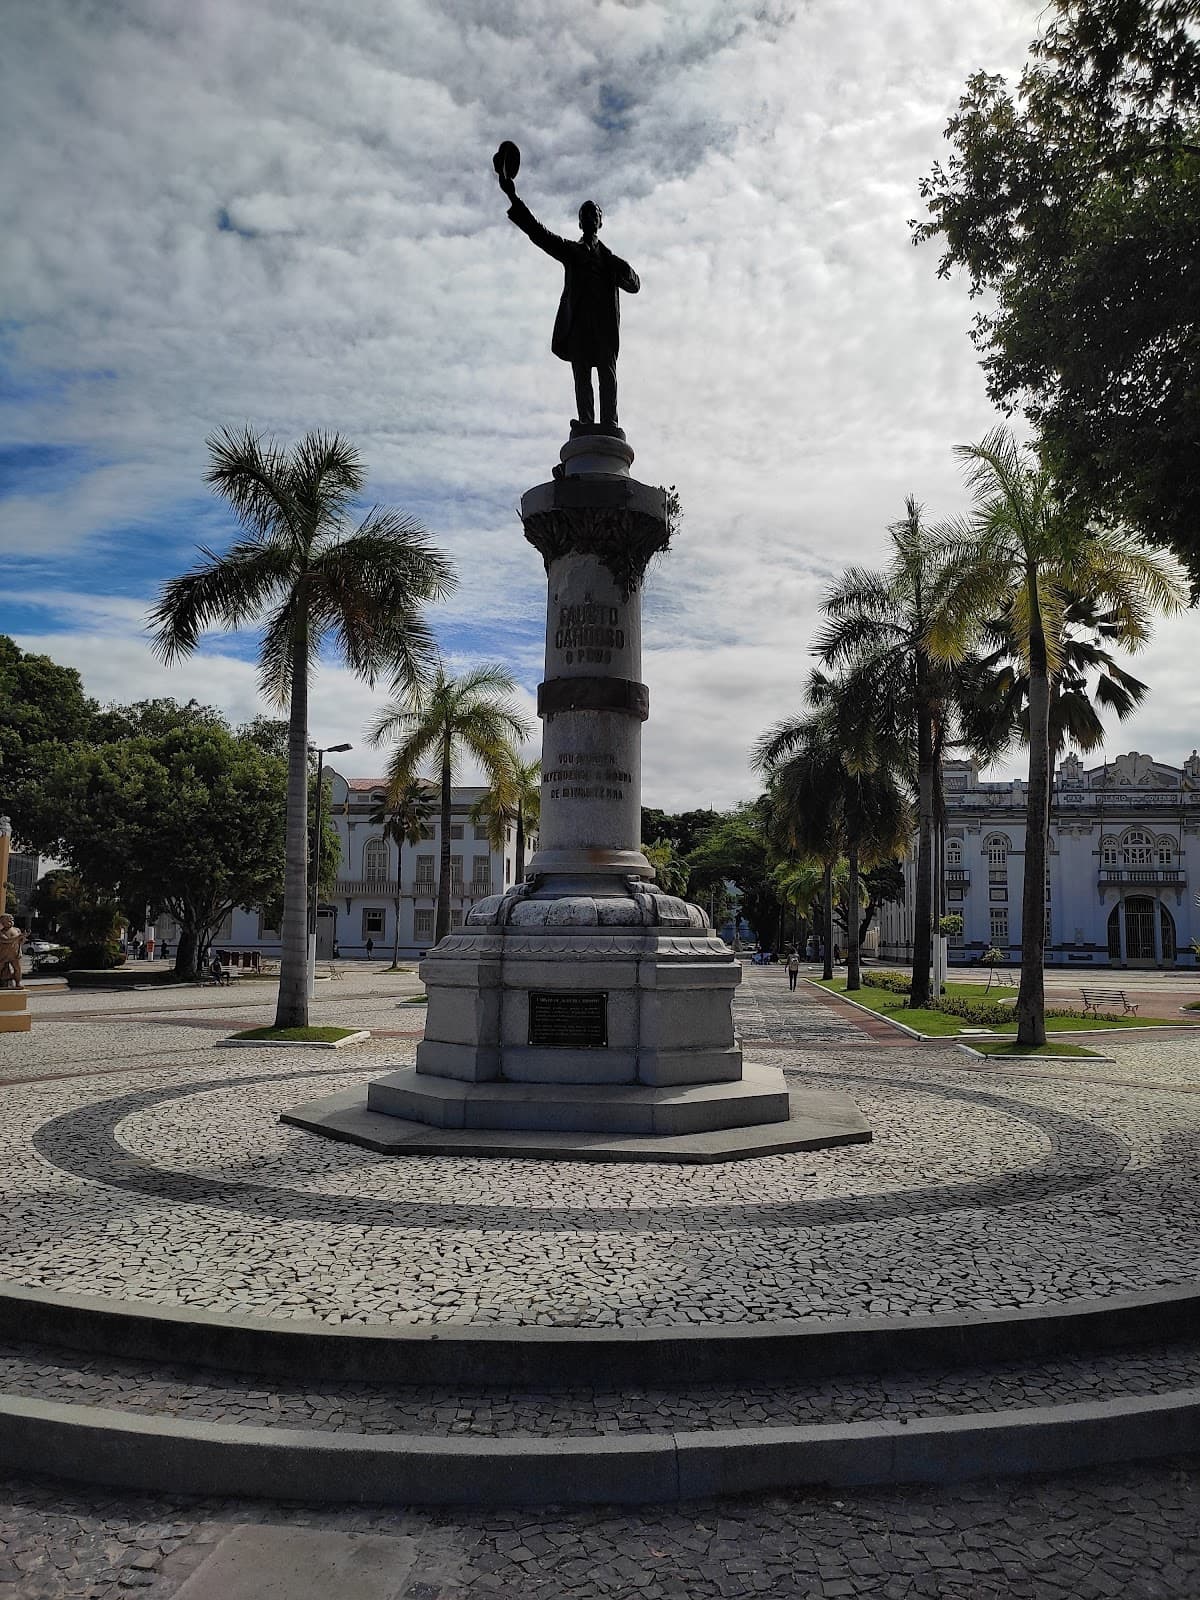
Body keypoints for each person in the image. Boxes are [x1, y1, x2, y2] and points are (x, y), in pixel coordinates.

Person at [498, 169, 640, 434]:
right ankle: (586, 422)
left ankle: (610, 422)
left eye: (594, 214)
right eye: (585, 214)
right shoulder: (572, 252)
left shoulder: (610, 261)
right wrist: (513, 197)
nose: (590, 218)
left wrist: (623, 267)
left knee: (608, 376)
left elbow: (635, 285)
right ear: (580, 222)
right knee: (582, 377)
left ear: (600, 222)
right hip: (578, 326)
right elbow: (539, 233)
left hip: (604, 328)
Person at [0, 914, 24, 990]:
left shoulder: (17, 930)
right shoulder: (1, 932)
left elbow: (20, 942)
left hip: (14, 954)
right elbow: (6, 940)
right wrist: (18, 936)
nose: (11, 920)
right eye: (8, 919)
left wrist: (20, 951)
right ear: (3, 922)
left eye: (12, 919)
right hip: (3, 954)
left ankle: (18, 983)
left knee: (18, 969)